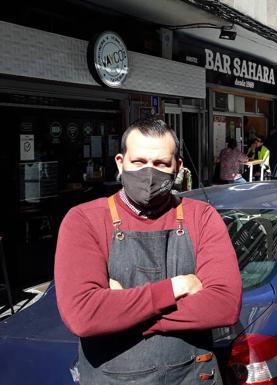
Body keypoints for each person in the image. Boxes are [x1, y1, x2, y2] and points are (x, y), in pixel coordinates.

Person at [54, 117, 242, 385]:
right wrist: (177, 286)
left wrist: (122, 311)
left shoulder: (202, 217)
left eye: (161, 164)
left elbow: (223, 306)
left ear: (177, 167)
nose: (149, 173)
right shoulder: (84, 220)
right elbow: (84, 315)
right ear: (120, 163)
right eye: (139, 162)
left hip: (192, 376)